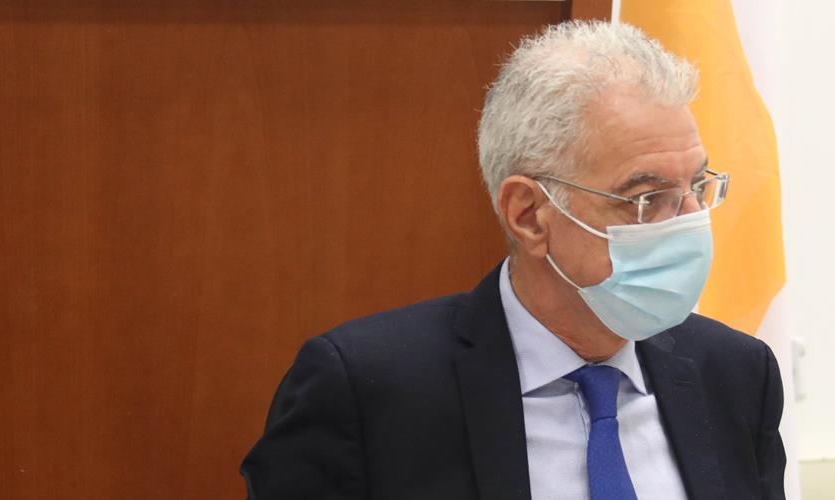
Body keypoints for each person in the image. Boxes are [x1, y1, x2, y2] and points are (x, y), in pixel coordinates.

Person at [241, 20, 785, 500]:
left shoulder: (737, 374)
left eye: (697, 186)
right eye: (646, 199)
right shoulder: (364, 390)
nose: (689, 221)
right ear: (528, 215)